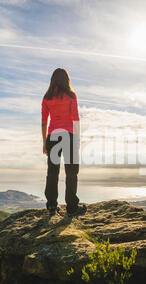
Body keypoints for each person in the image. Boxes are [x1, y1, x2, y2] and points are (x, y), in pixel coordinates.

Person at [41, 68, 87, 216]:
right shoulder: (71, 96)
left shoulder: (47, 97)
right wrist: (78, 139)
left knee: (52, 172)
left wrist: (44, 142)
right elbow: (75, 119)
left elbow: (43, 122)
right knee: (72, 172)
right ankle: (72, 208)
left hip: (53, 137)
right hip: (69, 136)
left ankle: (51, 206)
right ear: (67, 80)